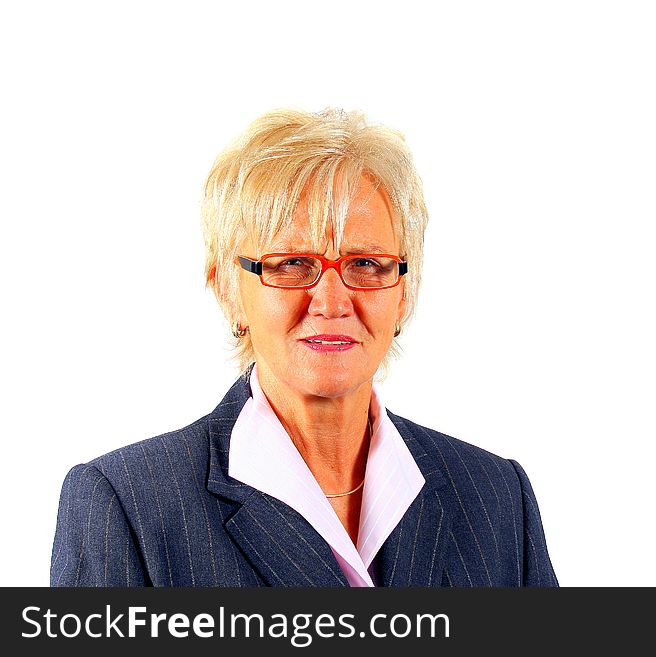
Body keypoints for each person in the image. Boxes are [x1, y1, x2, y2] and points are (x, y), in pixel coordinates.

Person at [50, 108, 558, 587]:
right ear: (229, 288)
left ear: (405, 289)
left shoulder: (495, 496)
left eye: (366, 263)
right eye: (291, 263)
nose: (332, 301)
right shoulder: (125, 506)